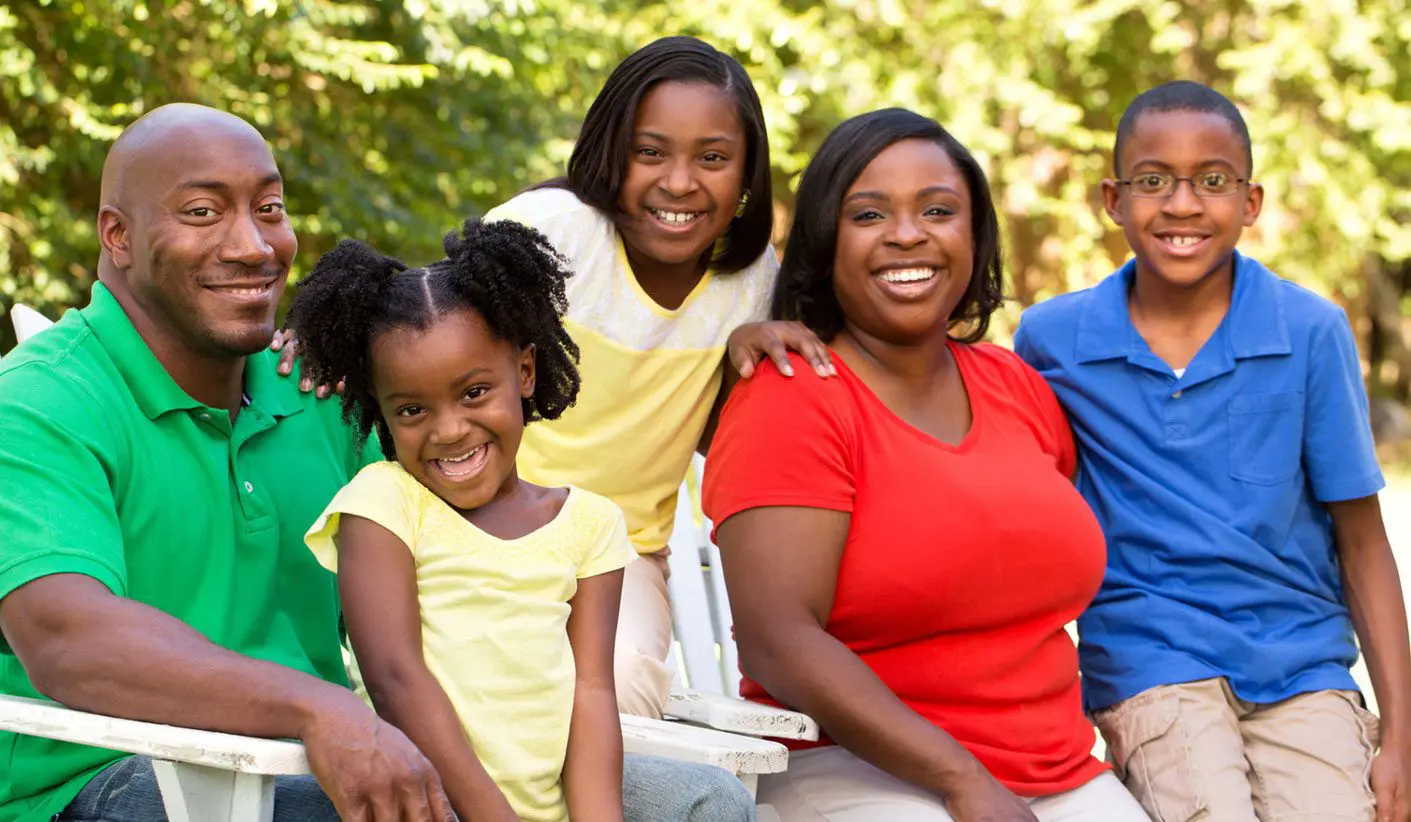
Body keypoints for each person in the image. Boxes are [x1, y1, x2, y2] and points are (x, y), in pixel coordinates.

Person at [0, 104, 453, 822]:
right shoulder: (39, 404)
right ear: (118, 235)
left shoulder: (318, 395)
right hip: (99, 783)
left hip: (313, 767)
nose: (253, 246)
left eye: (268, 207)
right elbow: (68, 638)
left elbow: (454, 582)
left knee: (680, 795)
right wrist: (317, 706)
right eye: (204, 211)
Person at [700, 108, 1151, 822]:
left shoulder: (1017, 387)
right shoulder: (792, 396)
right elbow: (778, 640)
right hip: (858, 770)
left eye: (937, 210)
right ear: (825, 242)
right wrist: (960, 780)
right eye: (868, 214)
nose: (907, 234)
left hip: (1058, 772)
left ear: (971, 236)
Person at [1014, 80, 1411, 822]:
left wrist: (1403, 736)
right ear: (1112, 198)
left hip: (1300, 663)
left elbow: (1362, 544)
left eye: (1212, 180)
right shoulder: (1052, 341)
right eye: (1152, 180)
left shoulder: (1309, 331)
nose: (1182, 203)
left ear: (1250, 202)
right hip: (1149, 659)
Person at [287, 222, 757, 822]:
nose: (450, 429)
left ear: (525, 373)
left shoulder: (588, 523)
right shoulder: (382, 502)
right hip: (425, 796)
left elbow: (592, 693)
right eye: (411, 409)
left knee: (713, 801)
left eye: (476, 392)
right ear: (379, 409)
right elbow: (395, 678)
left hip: (548, 799)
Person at [477, 35, 832, 718]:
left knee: (621, 689)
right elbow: (428, 344)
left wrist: (749, 354)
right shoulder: (550, 232)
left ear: (748, 172)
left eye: (713, 158)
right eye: (650, 152)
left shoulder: (753, 285)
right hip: (481, 521)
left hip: (619, 557)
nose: (679, 182)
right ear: (611, 152)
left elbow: (732, 440)